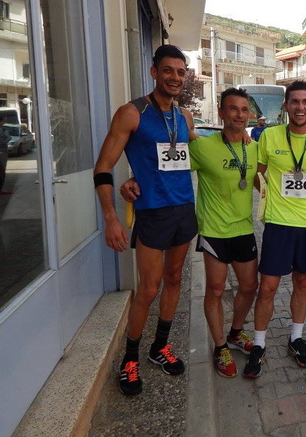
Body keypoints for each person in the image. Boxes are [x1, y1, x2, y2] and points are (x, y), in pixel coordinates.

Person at [94, 44, 198, 396]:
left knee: (174, 279)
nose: (174, 77)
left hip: (184, 209)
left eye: (180, 72)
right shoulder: (132, 113)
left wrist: (241, 138)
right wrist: (111, 217)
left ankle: (160, 347)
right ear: (154, 72)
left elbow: (199, 152)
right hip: (153, 213)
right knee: (149, 289)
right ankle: (130, 358)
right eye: (168, 70)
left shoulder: (185, 117)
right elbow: (102, 167)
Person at [243, 80, 306, 378]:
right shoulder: (269, 136)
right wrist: (267, 197)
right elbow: (258, 173)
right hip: (277, 225)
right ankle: (259, 343)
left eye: (305, 102)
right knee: (268, 287)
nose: (300, 107)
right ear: (286, 106)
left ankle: (296, 338)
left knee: (302, 283)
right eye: (294, 101)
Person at [189, 87, 259, 378]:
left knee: (249, 286)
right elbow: (171, 163)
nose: (239, 115)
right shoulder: (202, 147)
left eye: (244, 110)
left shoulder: (254, 147)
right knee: (216, 290)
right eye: (233, 109)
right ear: (221, 113)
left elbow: (263, 181)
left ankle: (235, 332)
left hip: (244, 228)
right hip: (214, 231)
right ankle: (220, 347)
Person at [0, 114, 11, 194]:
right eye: (3, 121)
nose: (4, 123)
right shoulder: (0, 130)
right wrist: (8, 137)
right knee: (2, 172)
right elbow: (2, 143)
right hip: (2, 152)